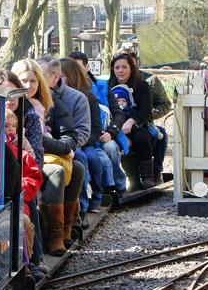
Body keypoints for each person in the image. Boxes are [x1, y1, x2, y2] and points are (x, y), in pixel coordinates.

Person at [11, 60, 85, 255]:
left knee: (78, 168)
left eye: (33, 81)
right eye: (23, 80)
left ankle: (66, 229)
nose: (28, 86)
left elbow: (71, 135)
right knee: (56, 172)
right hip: (32, 159)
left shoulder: (51, 103)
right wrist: (60, 147)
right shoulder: (18, 107)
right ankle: (54, 236)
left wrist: (63, 146)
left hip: (40, 156)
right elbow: (38, 144)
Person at [0, 69, 49, 274]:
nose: (9, 99)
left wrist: (20, 187)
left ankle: (35, 258)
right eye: (4, 93)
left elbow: (35, 156)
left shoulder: (28, 118)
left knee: (27, 201)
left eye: (14, 93)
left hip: (22, 177)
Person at [69, 51, 128, 197]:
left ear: (87, 67)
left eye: (78, 67)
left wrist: (111, 132)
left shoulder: (101, 86)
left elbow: (118, 113)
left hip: (104, 131)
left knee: (111, 149)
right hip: (86, 136)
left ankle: (119, 186)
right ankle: (102, 189)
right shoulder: (68, 90)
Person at [60, 57, 108, 220]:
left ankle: (96, 196)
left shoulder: (88, 98)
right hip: (65, 142)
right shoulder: (54, 98)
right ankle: (81, 205)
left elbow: (95, 128)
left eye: (61, 76)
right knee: (79, 159)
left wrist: (80, 142)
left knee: (93, 158)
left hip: (84, 141)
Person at [117, 48, 171, 185]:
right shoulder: (113, 84)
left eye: (127, 65)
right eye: (118, 66)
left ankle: (156, 171)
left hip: (145, 122)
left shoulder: (149, 81)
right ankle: (133, 178)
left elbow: (165, 105)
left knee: (161, 135)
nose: (122, 69)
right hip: (122, 124)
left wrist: (143, 116)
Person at [108, 53, 155, 189]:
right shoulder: (108, 86)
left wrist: (132, 121)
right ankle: (132, 178)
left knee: (141, 137)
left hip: (137, 124)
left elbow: (146, 110)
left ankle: (147, 176)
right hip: (115, 125)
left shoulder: (142, 86)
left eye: (124, 67)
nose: (120, 71)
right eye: (117, 67)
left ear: (131, 68)